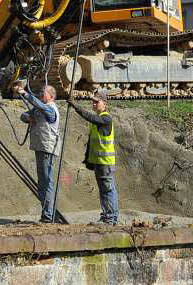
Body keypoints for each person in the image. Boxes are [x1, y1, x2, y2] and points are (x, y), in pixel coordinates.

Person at [69, 89, 118, 225]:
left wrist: (76, 106)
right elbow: (92, 142)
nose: (94, 104)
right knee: (104, 190)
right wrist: (88, 160)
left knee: (108, 190)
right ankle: (107, 216)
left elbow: (91, 117)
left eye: (97, 102)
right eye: (93, 102)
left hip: (106, 162)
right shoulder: (98, 121)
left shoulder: (106, 119)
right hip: (99, 162)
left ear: (105, 103)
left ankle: (110, 218)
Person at [14, 84, 60, 223]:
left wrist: (25, 93)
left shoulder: (50, 109)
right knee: (42, 183)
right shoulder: (40, 109)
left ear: (51, 96)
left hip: (47, 148)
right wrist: (29, 118)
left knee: (46, 183)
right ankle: (46, 214)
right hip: (40, 147)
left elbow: (39, 105)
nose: (40, 94)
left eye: (43, 92)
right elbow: (23, 115)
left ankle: (48, 215)